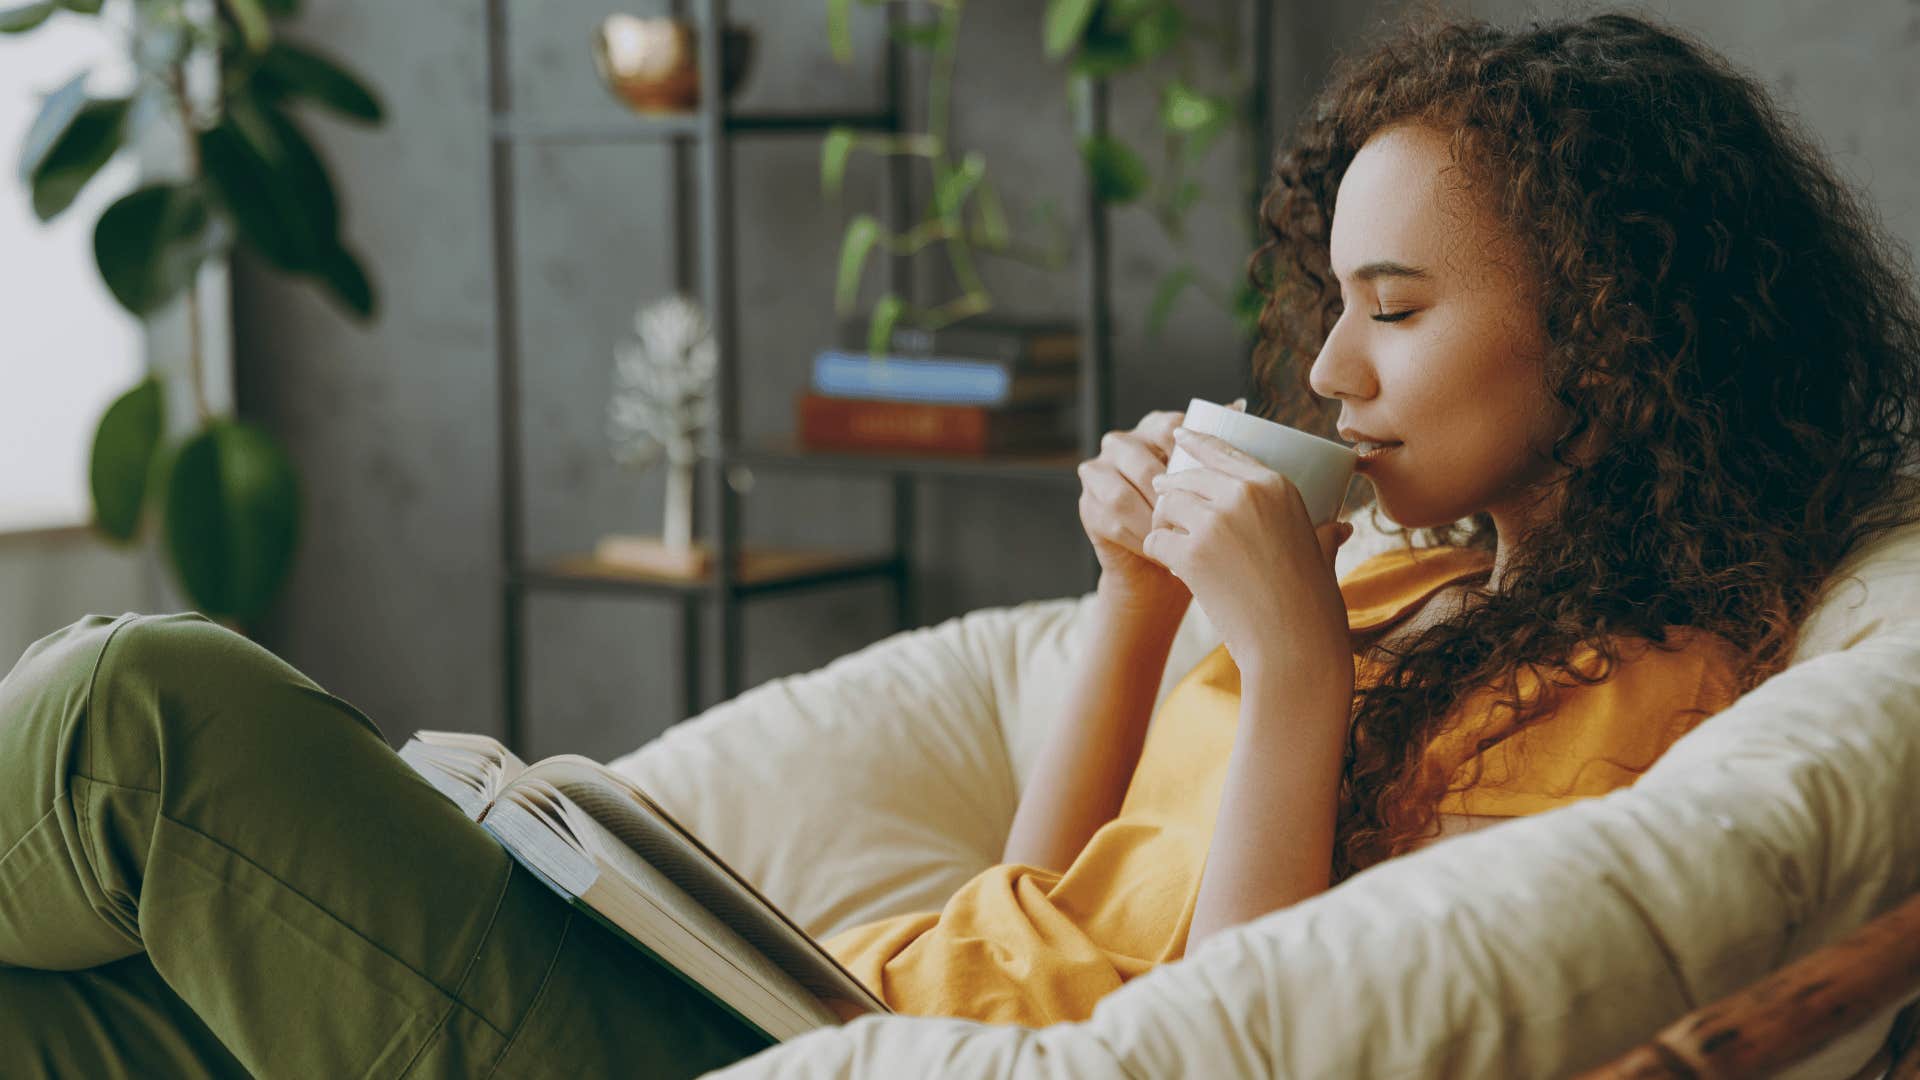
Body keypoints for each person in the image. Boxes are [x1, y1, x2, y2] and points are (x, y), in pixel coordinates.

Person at [3, 10, 1917, 1077]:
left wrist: (1298, 676)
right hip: (822, 1006)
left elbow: (1258, 1041)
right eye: (1331, 299)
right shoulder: (1419, 577)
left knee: (141, 712)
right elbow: (1045, 892)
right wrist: (1140, 604)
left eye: (1397, 310)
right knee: (71, 1017)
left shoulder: (1633, 689)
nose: (1327, 366)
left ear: (1612, 329)